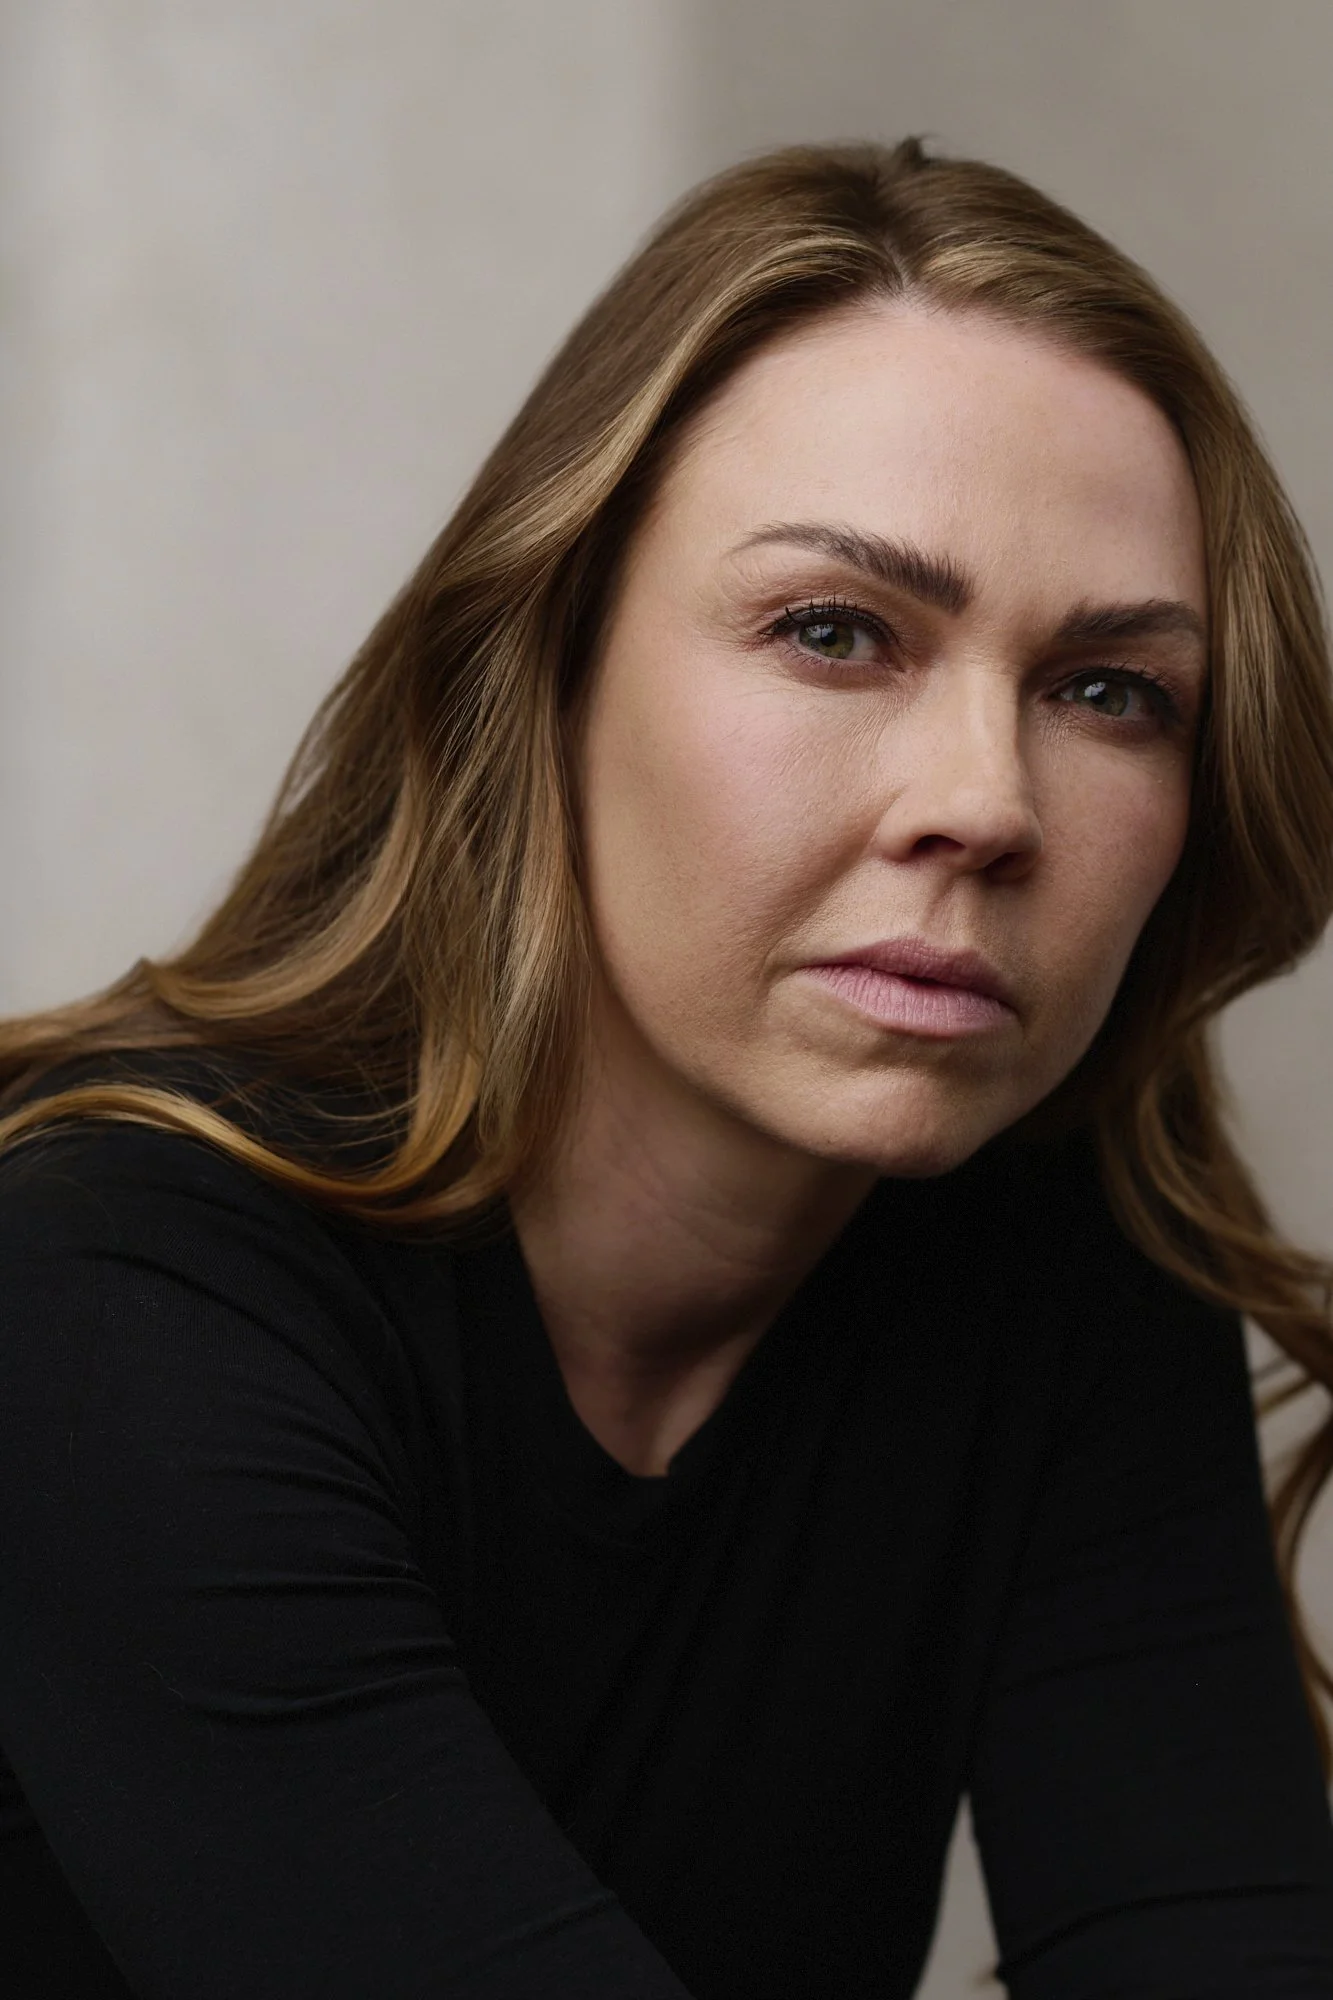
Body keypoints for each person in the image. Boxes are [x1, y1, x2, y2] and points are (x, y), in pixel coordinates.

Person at [1, 134, 1332, 2000]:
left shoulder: (1062, 1263)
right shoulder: (110, 1296)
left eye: (1110, 689)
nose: (985, 804)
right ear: (544, 673)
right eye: (833, 632)